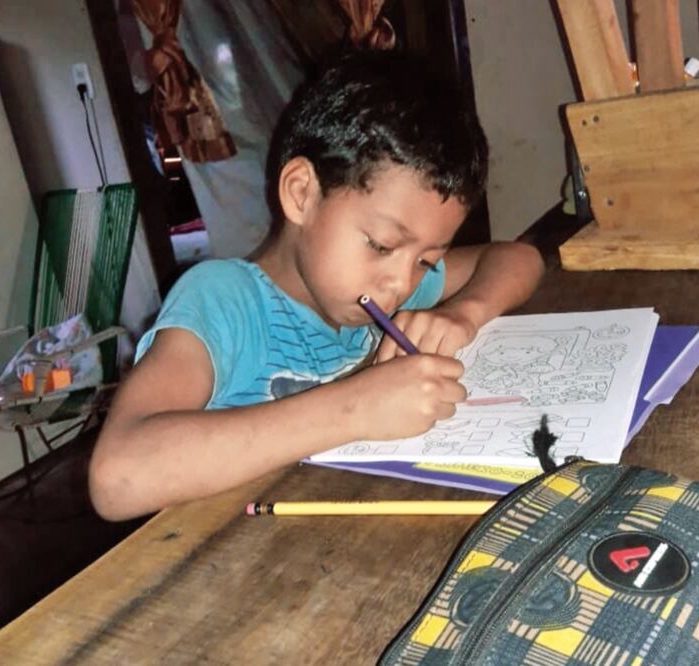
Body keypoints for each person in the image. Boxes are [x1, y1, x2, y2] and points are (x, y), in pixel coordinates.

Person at [89, 51, 544, 521]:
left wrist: (462, 313)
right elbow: (116, 478)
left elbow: (517, 258)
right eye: (382, 244)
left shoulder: (377, 291)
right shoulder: (222, 301)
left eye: (428, 260)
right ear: (302, 194)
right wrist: (356, 408)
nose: (402, 283)